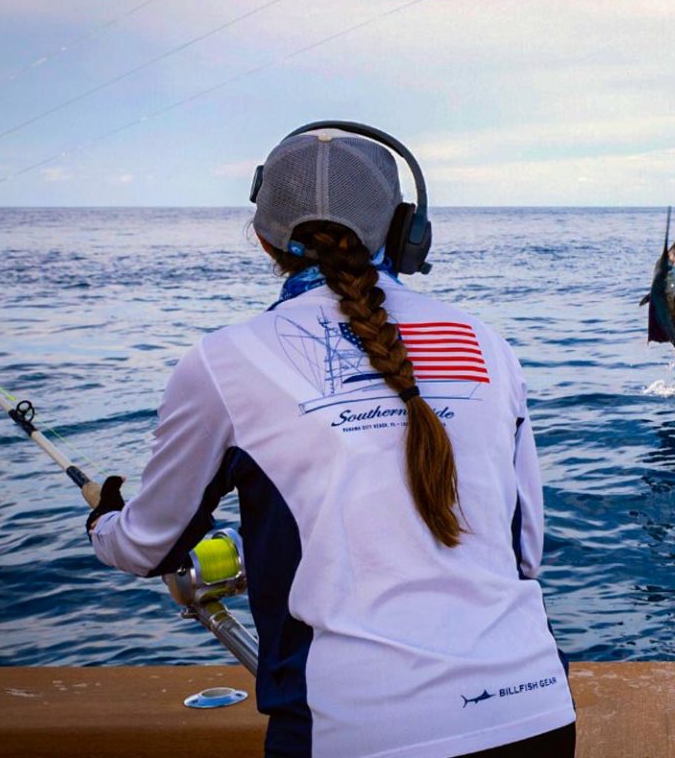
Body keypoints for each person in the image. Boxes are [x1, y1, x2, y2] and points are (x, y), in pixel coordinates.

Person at [87, 123, 575, 757]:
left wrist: (105, 522)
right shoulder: (486, 343)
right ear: (407, 231)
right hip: (534, 712)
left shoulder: (222, 362)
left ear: (264, 239)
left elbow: (149, 546)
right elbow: (525, 550)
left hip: (357, 734)